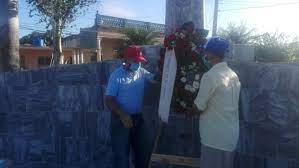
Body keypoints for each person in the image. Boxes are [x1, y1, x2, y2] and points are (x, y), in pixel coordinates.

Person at [192, 37, 241, 168]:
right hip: (230, 136)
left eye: (206, 52)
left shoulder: (210, 76)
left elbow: (199, 107)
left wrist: (189, 108)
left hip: (214, 138)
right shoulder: (233, 75)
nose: (204, 55)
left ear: (211, 53)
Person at [105, 45, 155, 168]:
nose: (138, 63)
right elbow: (109, 99)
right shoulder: (116, 76)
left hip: (138, 119)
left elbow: (156, 80)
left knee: (143, 153)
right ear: (126, 59)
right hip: (120, 119)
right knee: (121, 156)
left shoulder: (142, 72)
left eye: (139, 61)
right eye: (135, 60)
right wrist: (122, 114)